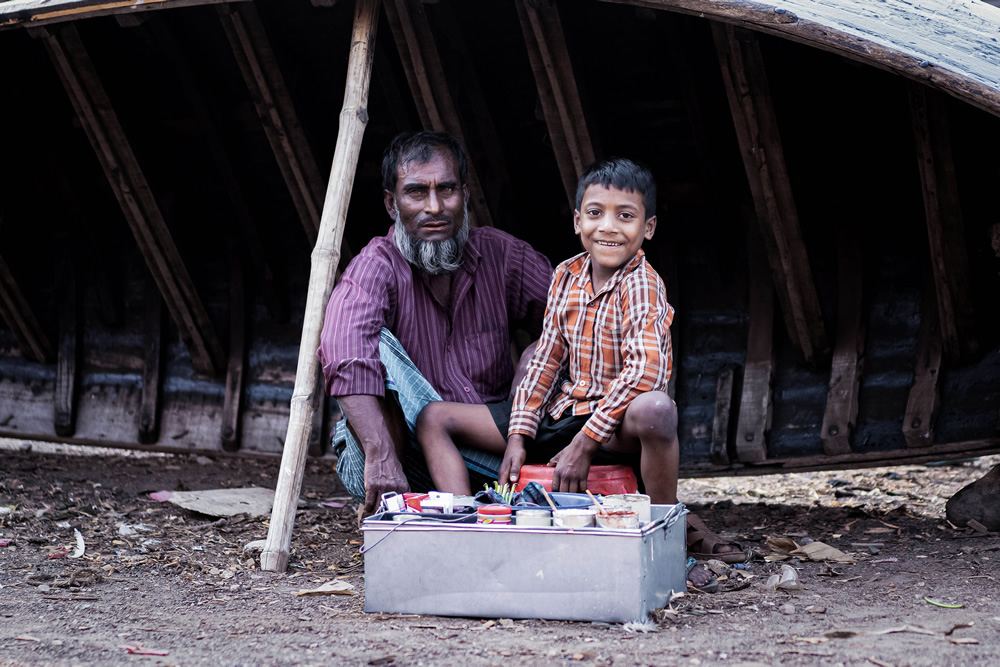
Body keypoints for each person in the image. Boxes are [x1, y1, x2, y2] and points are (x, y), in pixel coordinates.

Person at [416, 157, 745, 570]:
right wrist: (519, 435)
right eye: (595, 213)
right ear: (577, 221)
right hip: (563, 415)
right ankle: (469, 525)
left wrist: (585, 443)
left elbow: (646, 371)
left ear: (648, 228)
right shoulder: (566, 275)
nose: (608, 226)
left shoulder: (643, 285)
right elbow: (547, 358)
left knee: (657, 409)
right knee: (433, 418)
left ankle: (666, 530)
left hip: (610, 428)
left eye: (625, 216)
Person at [317, 131, 553, 517]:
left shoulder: (501, 256)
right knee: (363, 341)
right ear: (392, 204)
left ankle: (478, 504)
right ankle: (408, 501)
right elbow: (344, 351)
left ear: (465, 195)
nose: (434, 207)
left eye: (447, 190)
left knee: (559, 344)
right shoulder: (376, 266)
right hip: (402, 455)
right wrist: (379, 453)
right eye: (416, 192)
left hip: (493, 451)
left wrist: (537, 359)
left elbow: (581, 318)